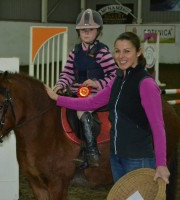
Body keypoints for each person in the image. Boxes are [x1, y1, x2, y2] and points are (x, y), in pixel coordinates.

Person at [45, 31, 170, 184]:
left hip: (138, 159)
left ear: (138, 52)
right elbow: (91, 103)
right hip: (116, 158)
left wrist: (161, 164)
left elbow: (158, 127)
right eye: (117, 51)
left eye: (127, 51)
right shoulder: (117, 80)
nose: (121, 56)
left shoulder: (146, 84)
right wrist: (57, 98)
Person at [53, 8, 117, 167]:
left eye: (90, 30)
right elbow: (67, 73)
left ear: (98, 31)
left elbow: (114, 75)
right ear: (78, 32)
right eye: (83, 30)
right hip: (76, 94)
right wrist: (60, 85)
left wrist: (96, 83)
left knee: (82, 111)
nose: (86, 33)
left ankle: (91, 151)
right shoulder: (74, 52)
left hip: (96, 96)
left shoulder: (103, 52)